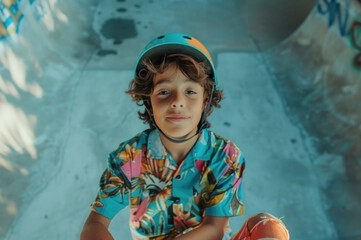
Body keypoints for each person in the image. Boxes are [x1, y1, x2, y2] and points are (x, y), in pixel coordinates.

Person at [80, 33, 289, 240]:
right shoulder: (129, 157)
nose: (177, 101)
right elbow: (95, 222)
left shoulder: (225, 156)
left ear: (205, 99)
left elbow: (214, 228)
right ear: (148, 101)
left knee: (268, 226)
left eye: (190, 91)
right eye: (164, 91)